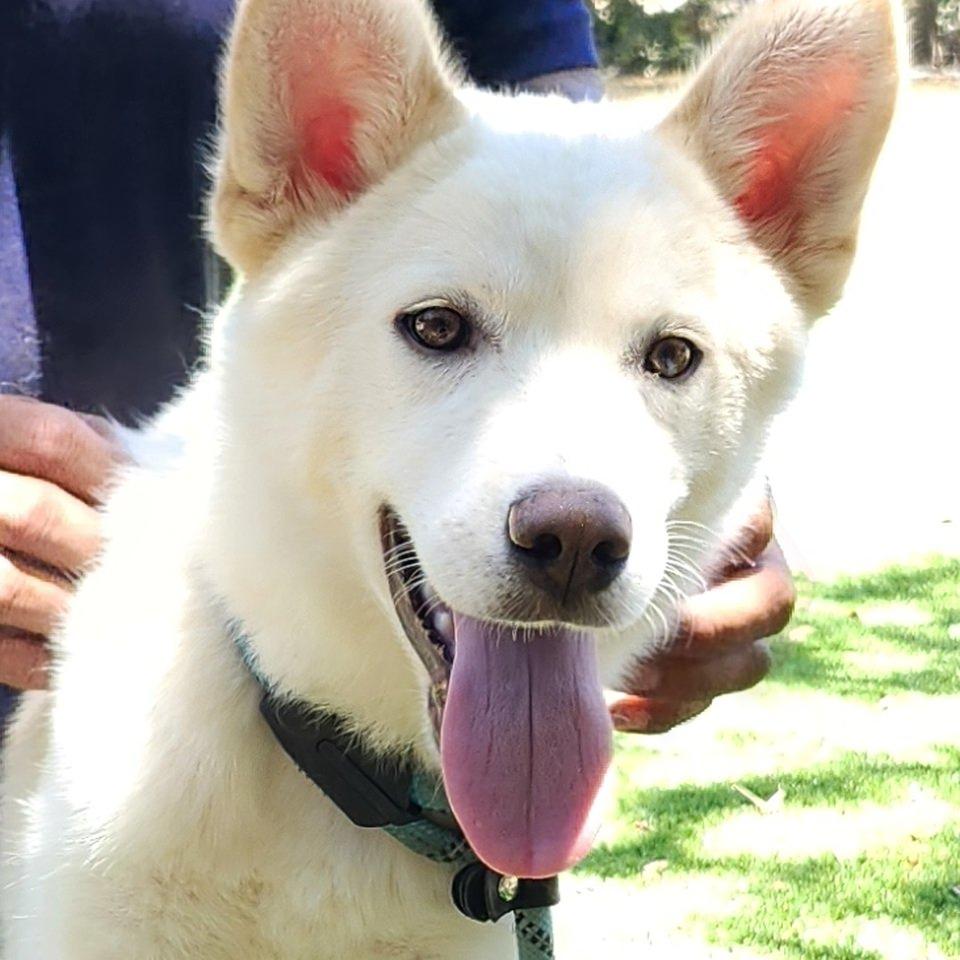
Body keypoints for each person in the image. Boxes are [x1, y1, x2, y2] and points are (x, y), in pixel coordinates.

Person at [0, 0, 794, 730]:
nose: (576, 517)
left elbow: (576, 204)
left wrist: (701, 504)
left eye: (668, 355)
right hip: (139, 650)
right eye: (441, 330)